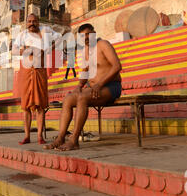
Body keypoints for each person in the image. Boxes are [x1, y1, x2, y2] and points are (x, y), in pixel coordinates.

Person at [44, 23, 122, 151]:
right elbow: (86, 70)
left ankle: (74, 140)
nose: (86, 38)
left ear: (94, 33)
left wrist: (99, 85)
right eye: (82, 36)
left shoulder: (103, 45)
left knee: (81, 98)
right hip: (93, 88)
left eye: (88, 34)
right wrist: (79, 85)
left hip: (111, 86)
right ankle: (60, 138)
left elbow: (117, 66)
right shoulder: (85, 50)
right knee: (68, 98)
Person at [12, 14, 61, 145]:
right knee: (26, 106)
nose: (32, 23)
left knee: (40, 105)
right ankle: (27, 136)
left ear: (38, 22)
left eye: (34, 21)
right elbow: (14, 50)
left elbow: (59, 38)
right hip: (26, 72)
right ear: (26, 23)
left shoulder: (45, 31)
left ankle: (40, 136)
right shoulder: (22, 35)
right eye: (29, 21)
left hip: (40, 71)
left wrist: (48, 49)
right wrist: (26, 50)